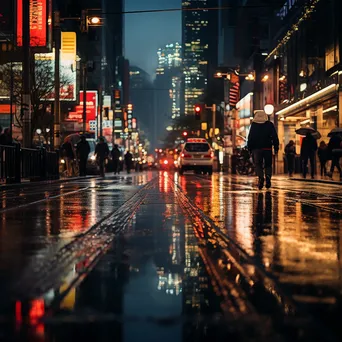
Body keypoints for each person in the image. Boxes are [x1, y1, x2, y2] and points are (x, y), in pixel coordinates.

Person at [247, 110, 279, 190]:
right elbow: (275, 137)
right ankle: (268, 177)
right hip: (267, 148)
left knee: (258, 164)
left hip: (256, 149)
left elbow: (250, 137)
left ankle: (261, 177)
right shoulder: (269, 125)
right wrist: (276, 147)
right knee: (268, 164)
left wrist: (249, 148)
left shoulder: (254, 125)